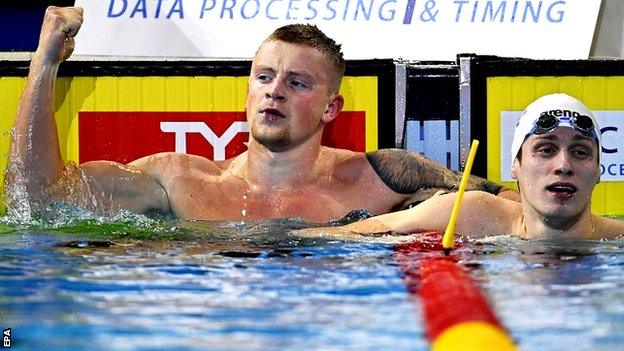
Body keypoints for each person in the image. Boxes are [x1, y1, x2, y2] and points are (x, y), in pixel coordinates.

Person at [5, 6, 513, 223]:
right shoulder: (178, 181)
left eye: (297, 83)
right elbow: (37, 200)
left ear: (330, 108)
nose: (275, 93)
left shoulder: (381, 177)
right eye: (265, 78)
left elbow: (514, 208)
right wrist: (43, 63)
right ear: (248, 92)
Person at [329, 93, 624, 239]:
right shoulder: (475, 214)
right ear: (515, 167)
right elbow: (351, 236)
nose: (563, 165)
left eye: (581, 152)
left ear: (598, 170)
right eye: (545, 150)